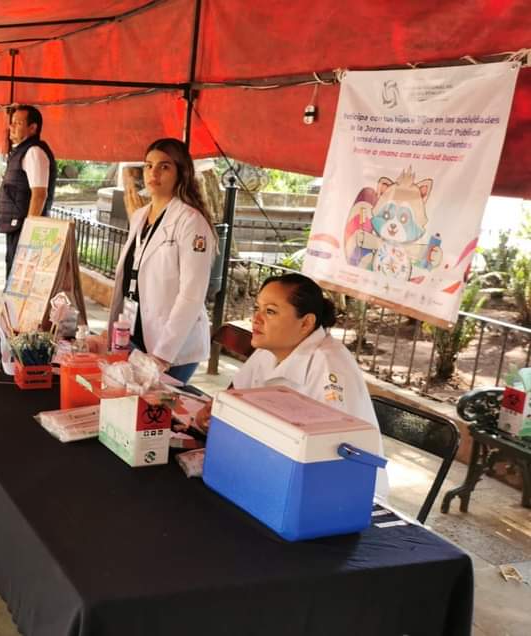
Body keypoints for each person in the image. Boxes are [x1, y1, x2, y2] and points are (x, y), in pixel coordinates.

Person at [201, 273, 388, 495]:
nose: (256, 319)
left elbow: (331, 455)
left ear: (306, 323)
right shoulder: (268, 349)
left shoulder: (329, 367)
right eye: (257, 308)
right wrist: (214, 411)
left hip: (334, 491)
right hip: (272, 469)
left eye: (270, 311)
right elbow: (233, 397)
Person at [107, 138, 216, 385]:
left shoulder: (191, 221)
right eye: (148, 166)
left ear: (181, 172)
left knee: (156, 412)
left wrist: (163, 355)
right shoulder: (140, 216)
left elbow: (192, 295)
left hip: (172, 347)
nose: (153, 173)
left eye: (164, 166)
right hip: (134, 332)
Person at [0, 104, 56, 276]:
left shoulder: (34, 152)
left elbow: (39, 194)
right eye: (12, 122)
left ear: (32, 128)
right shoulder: (21, 151)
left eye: (18, 123)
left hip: (25, 228)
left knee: (21, 277)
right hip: (15, 226)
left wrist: (31, 229)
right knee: (14, 273)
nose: (11, 127)